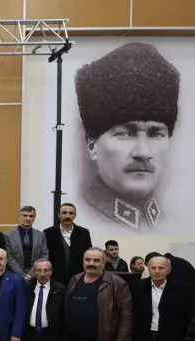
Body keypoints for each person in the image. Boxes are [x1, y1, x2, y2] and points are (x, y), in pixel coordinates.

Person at [75, 42, 178, 232]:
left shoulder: (171, 222)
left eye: (156, 133)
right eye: (124, 133)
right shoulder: (80, 218)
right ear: (92, 145)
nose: (143, 152)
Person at [43, 203, 92, 286]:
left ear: (75, 216)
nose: (67, 216)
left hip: (79, 278)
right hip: (55, 279)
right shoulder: (48, 233)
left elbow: (88, 255)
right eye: (64, 213)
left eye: (71, 213)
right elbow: (45, 256)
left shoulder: (84, 233)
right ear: (59, 215)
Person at [4, 206, 48, 281]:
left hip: (36, 276)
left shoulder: (41, 235)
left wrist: (31, 273)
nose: (28, 218)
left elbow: (44, 255)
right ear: (19, 217)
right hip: (14, 276)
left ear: (34, 218)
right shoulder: (8, 235)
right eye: (25, 215)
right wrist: (22, 275)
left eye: (31, 216)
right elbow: (8, 257)